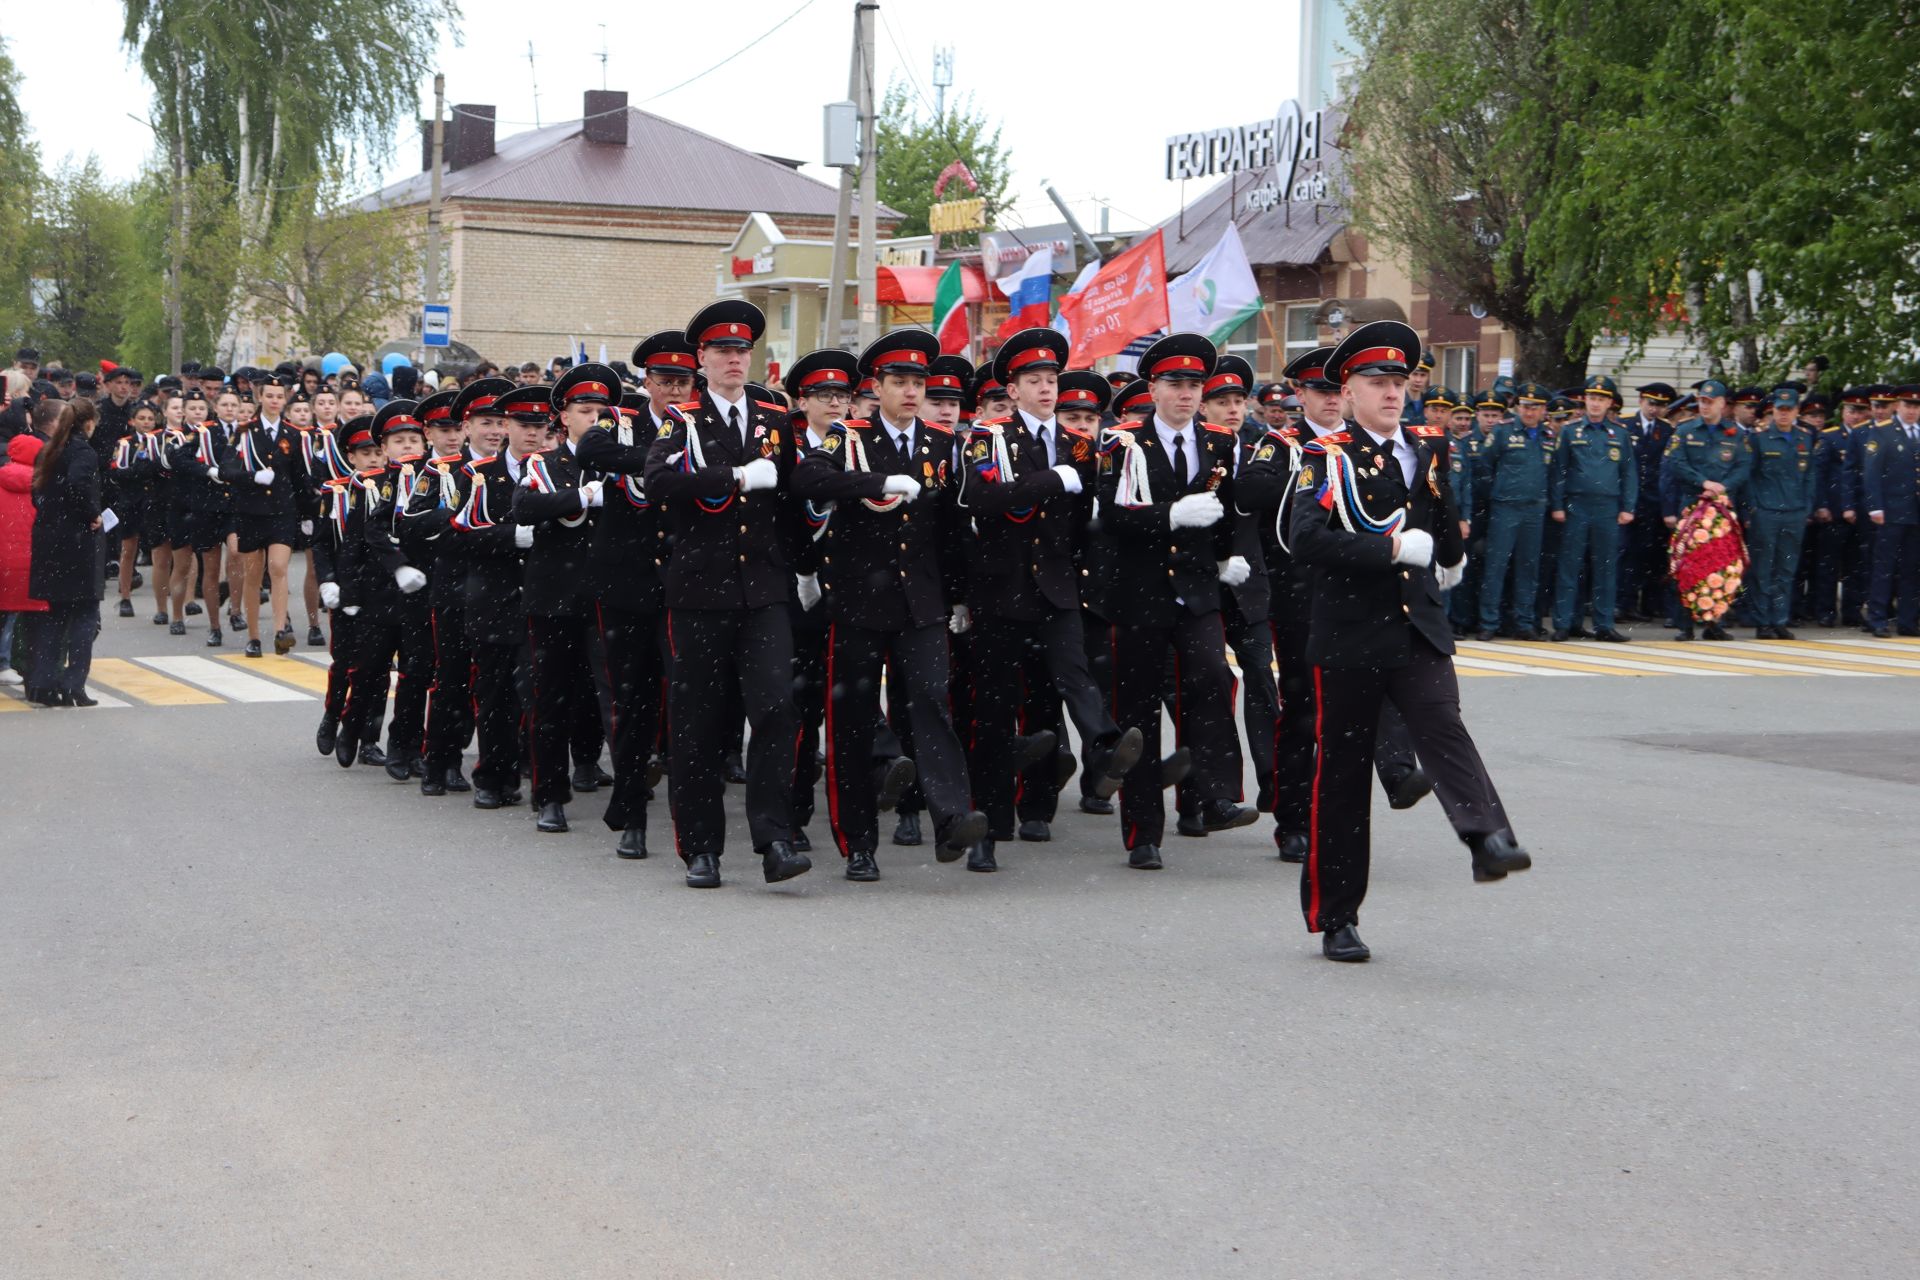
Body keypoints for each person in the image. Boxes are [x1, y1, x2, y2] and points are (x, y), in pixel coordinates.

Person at [1287, 321, 1531, 962]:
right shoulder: (1325, 456)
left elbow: (1440, 520)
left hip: (1416, 624)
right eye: (1378, 382)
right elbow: (1303, 539)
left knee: (1443, 723)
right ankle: (1335, 915)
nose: (1392, 393)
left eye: (1399, 382)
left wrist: (1452, 553)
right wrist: (1389, 547)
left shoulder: (1427, 448)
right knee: (1341, 780)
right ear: (1349, 390)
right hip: (1348, 633)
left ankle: (1485, 837)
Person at [791, 329, 991, 879]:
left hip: (921, 603)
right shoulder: (846, 436)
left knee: (931, 705)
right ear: (875, 387)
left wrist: (959, 597)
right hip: (857, 602)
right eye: (898, 381)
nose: (909, 390)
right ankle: (858, 842)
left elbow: (954, 530)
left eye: (917, 382)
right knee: (853, 722)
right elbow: (808, 477)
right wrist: (878, 481)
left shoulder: (943, 444)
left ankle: (951, 817)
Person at [954, 333, 1143, 870]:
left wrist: (1088, 580)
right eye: (1033, 381)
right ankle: (988, 827)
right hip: (1000, 587)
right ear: (1011, 390)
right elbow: (980, 498)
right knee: (994, 712)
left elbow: (1085, 521)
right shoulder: (987, 438)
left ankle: (1089, 760)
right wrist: (1045, 480)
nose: (1045, 388)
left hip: (1058, 584)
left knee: (1065, 679)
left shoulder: (1079, 444)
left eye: (1051, 380)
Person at [643, 300, 812, 890]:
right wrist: (734, 477)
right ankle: (701, 847)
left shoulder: (775, 420)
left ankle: (773, 837)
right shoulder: (682, 421)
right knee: (699, 723)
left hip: (763, 589)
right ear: (702, 361)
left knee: (775, 709)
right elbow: (658, 481)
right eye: (722, 352)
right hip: (698, 590)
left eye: (742, 351)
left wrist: (809, 567)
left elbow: (793, 498)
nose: (734, 360)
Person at [1088, 332, 1257, 871]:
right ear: (1153, 388)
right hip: (1138, 593)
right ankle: (1143, 833)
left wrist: (1226, 559)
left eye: (1193, 385)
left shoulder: (1220, 442)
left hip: (1197, 587)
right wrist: (1168, 516)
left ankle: (1213, 796)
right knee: (1138, 713)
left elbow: (1228, 509)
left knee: (1210, 678)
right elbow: (1110, 517)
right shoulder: (1122, 443)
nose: (1186, 394)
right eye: (1175, 384)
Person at [26, 399, 106, 706]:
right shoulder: (83, 451)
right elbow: (78, 484)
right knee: (85, 614)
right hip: (77, 542)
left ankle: (44, 683)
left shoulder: (49, 449)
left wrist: (52, 516)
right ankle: (74, 684)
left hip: (49, 539)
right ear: (88, 423)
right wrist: (91, 514)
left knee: (54, 615)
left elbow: (37, 491)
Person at [1662, 378, 1752, 640]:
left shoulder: (1736, 436)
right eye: (1701, 401)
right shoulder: (1685, 431)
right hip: (1692, 505)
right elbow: (1676, 463)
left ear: (1723, 404)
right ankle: (1685, 624)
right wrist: (1703, 483)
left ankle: (1715, 622)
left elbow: (1744, 468)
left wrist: (1721, 488)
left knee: (1721, 564)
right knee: (1688, 564)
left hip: (1722, 508)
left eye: (1710, 402)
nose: (1704, 406)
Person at [1548, 377, 1635, 642]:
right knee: (1570, 566)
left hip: (1607, 506)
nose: (1595, 404)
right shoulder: (1571, 431)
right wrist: (1558, 505)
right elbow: (1559, 471)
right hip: (1577, 505)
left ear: (1610, 403)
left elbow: (1628, 473)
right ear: (1585, 400)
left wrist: (1628, 506)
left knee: (1606, 567)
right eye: (1592, 398)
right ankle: (1565, 623)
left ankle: (1604, 624)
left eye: (1601, 399)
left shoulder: (1619, 434)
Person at [1475, 385, 1553, 640]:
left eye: (1535, 407)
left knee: (1528, 567)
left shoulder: (1549, 435)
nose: (1529, 412)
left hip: (1534, 509)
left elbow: (1554, 473)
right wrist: (1498, 493)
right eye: (1525, 406)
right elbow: (1485, 466)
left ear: (1543, 410)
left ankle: (1524, 622)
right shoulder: (1503, 431)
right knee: (1496, 567)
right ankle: (1489, 622)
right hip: (1506, 506)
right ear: (1518, 407)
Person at [1745, 386, 1816, 638]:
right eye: (1779, 410)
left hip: (1794, 512)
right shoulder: (1759, 437)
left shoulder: (1804, 438)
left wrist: (1807, 506)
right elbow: (1750, 476)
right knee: (1763, 569)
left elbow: (1809, 477)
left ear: (1797, 411)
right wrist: (1753, 507)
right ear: (1772, 411)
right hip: (1766, 511)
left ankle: (1779, 619)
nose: (1784, 414)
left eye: (1789, 410)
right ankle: (1763, 621)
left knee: (1786, 569)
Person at [1860, 384, 1920, 637]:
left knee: (1912, 568)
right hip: (1891, 510)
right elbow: (1872, 473)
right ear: (1898, 406)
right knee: (1884, 567)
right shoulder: (1883, 433)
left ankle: (1907, 620)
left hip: (1916, 512)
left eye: (1916, 407)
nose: (1912, 411)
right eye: (1907, 405)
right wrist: (1875, 507)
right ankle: (1878, 619)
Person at [0, 431, 48, 687]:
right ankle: (9, 662)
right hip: (29, 559)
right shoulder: (41, 484)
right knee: (16, 615)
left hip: (2, 558)